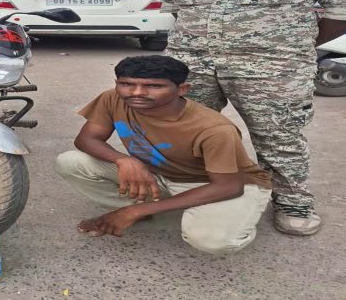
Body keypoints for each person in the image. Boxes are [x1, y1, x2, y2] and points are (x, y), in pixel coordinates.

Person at [160, 0, 346, 236]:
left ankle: (292, 203)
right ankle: (194, 191)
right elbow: (177, 12)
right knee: (187, 134)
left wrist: (293, 44)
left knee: (278, 139)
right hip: (191, 67)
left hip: (272, 71)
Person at [55, 55, 272, 255]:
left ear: (182, 89)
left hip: (221, 184)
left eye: (153, 86)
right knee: (71, 162)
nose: (136, 92)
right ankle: (146, 208)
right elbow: (86, 139)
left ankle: (238, 218)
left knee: (212, 241)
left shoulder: (214, 129)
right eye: (127, 84)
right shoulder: (113, 99)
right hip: (159, 174)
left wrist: (134, 211)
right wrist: (124, 160)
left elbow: (228, 186)